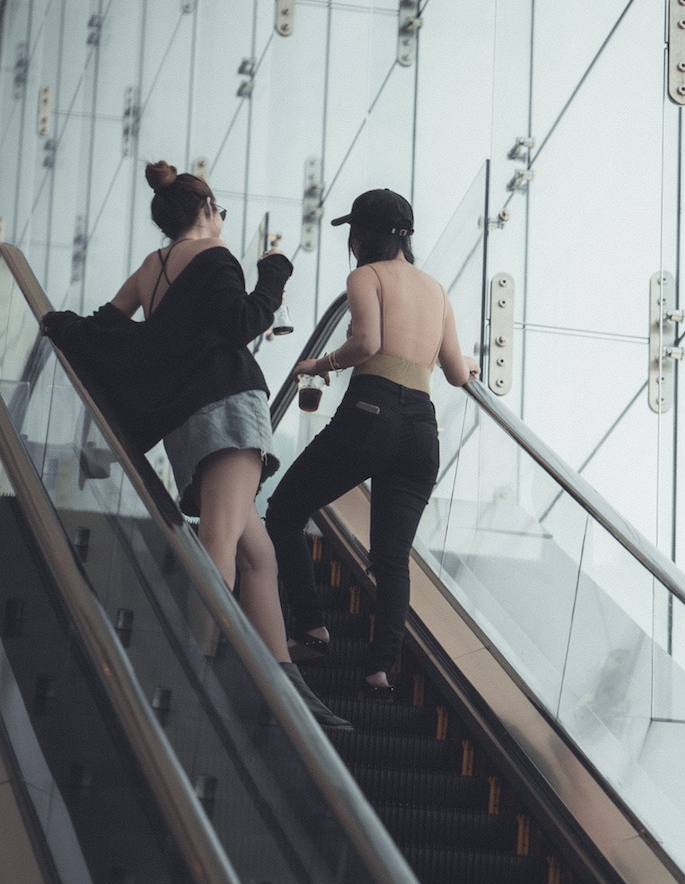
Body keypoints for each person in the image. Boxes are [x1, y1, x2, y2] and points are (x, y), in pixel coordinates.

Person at [44, 159, 352, 733]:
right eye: (221, 211)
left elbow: (105, 327)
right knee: (222, 538)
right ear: (207, 211)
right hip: (230, 404)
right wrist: (275, 275)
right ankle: (189, 669)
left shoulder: (149, 269)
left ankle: (286, 682)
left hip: (186, 421)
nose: (223, 221)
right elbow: (243, 322)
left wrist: (58, 324)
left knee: (258, 554)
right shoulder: (214, 258)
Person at [265, 188, 479, 699]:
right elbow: (454, 373)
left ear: (362, 235)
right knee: (391, 557)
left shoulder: (365, 276)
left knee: (284, 511)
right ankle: (379, 668)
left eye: (353, 233)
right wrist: (471, 365)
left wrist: (318, 365)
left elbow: (366, 345)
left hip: (370, 413)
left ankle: (313, 630)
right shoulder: (438, 291)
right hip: (421, 431)